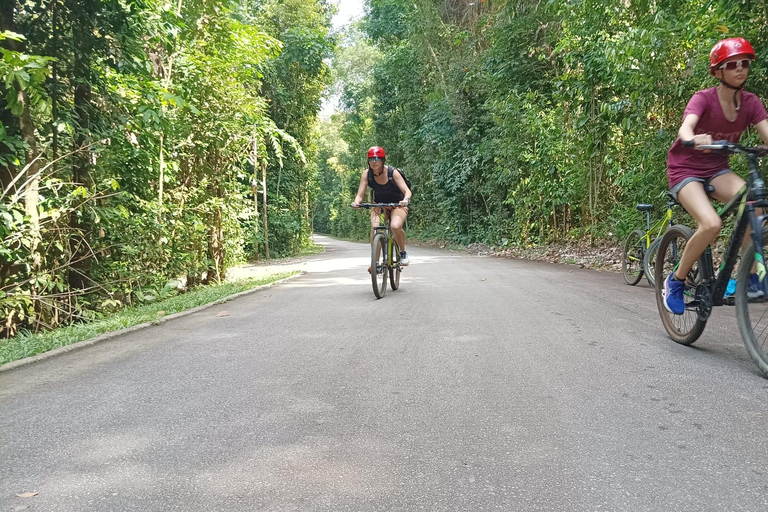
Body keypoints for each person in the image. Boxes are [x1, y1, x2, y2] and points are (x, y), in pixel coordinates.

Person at [664, 37, 768, 314]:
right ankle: (675, 281)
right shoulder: (703, 98)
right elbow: (686, 128)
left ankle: (746, 276)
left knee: (753, 204)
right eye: (732, 64)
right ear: (718, 71)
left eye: (744, 63)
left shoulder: (750, 102)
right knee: (710, 224)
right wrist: (694, 138)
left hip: (716, 170)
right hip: (685, 169)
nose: (740, 69)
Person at [351, 146, 412, 268]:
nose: (374, 161)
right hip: (379, 204)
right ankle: (375, 262)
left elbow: (407, 191)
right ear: (368, 161)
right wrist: (356, 202)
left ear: (383, 160)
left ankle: (403, 252)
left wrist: (405, 200)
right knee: (375, 228)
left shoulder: (392, 172)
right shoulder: (366, 174)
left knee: (395, 226)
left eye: (378, 158)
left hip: (397, 204)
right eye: (371, 159)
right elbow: (360, 195)